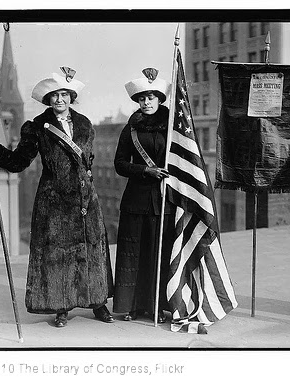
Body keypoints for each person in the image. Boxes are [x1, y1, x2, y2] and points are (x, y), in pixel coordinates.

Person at [0, 68, 114, 327]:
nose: (59, 100)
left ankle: (98, 302)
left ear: (71, 96)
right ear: (47, 99)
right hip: (54, 200)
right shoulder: (37, 127)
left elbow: (87, 161)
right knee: (57, 254)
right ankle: (61, 306)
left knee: (92, 249)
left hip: (86, 199)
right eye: (54, 95)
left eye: (64, 94)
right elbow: (19, 162)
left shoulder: (85, 123)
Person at [113, 68, 175, 323]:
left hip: (164, 199)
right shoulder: (131, 129)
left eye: (151, 97)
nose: (146, 102)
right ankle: (132, 306)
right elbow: (119, 164)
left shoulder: (173, 128)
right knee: (134, 252)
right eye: (142, 98)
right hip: (136, 200)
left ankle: (158, 306)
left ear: (160, 99)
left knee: (159, 253)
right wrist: (144, 170)